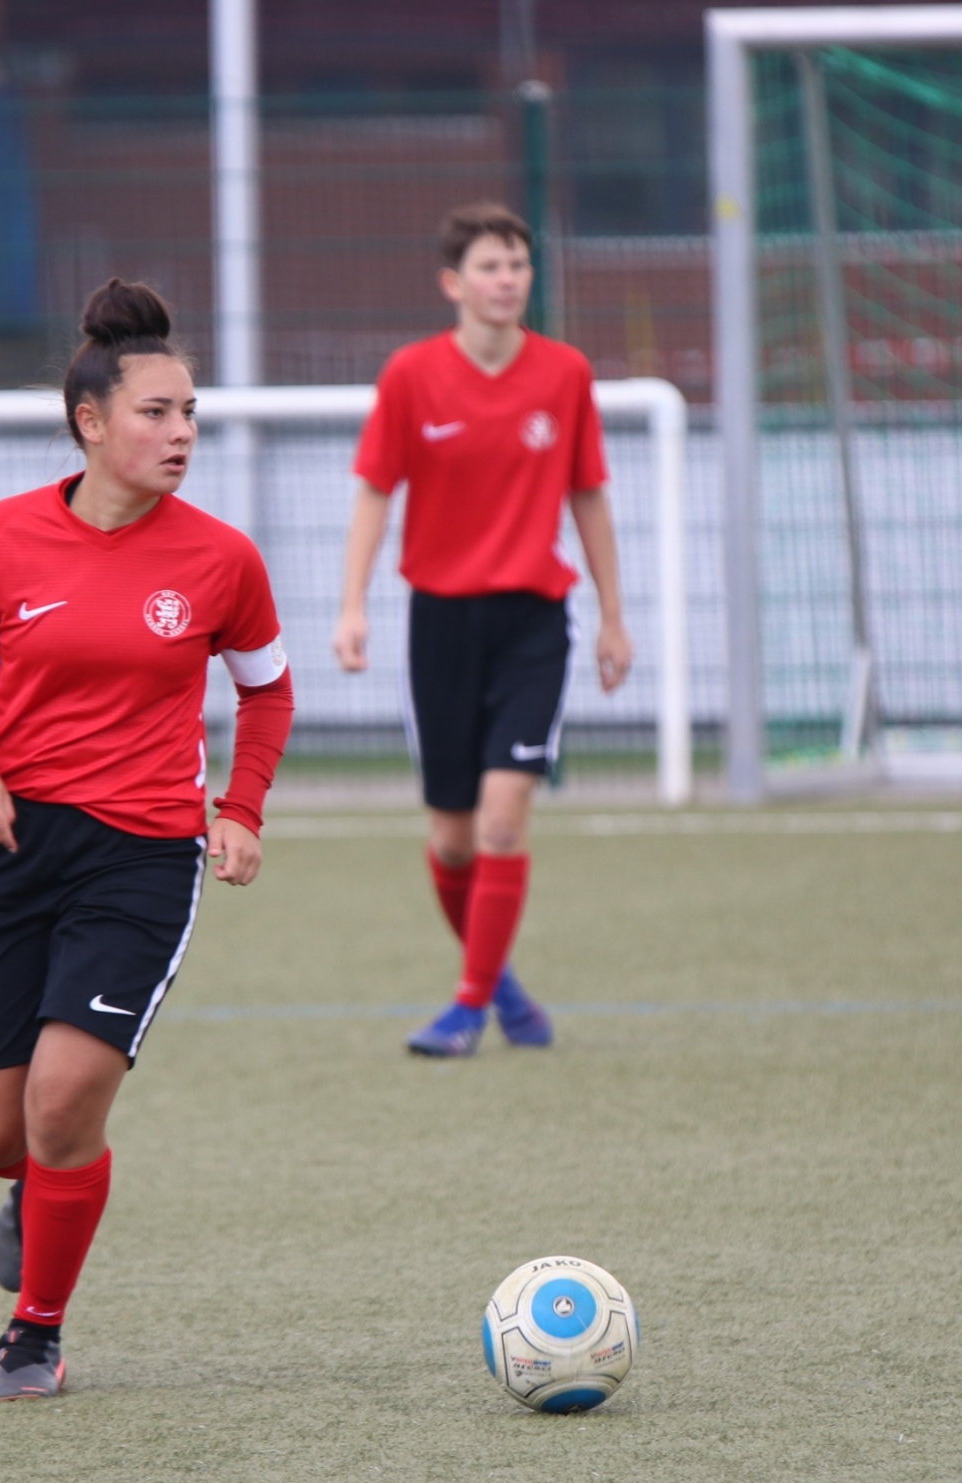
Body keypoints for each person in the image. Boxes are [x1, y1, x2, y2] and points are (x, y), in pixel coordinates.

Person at [0, 279, 293, 1401]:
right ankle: (32, 1187)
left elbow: (267, 691)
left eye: (190, 414)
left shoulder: (222, 559)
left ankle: (34, 1334)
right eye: (156, 413)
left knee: (64, 1100)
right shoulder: (2, 536)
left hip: (141, 855)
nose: (181, 434)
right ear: (90, 422)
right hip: (11, 850)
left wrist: (241, 808)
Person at [332, 201, 633, 1058]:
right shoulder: (411, 375)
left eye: (518, 265)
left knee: (504, 821)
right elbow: (374, 492)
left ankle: (466, 1007)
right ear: (453, 283)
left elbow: (588, 495)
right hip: (441, 625)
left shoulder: (565, 374)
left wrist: (613, 617)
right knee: (454, 840)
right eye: (490, 267)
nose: (507, 280)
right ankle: (501, 987)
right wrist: (352, 605)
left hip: (534, 624)